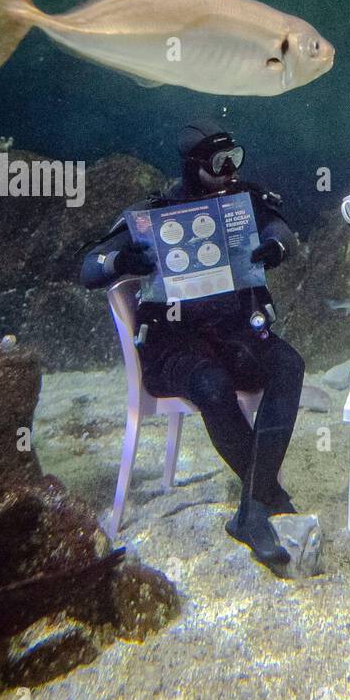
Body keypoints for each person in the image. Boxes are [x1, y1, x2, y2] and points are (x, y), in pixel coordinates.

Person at [79, 119, 304, 569]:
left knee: (288, 364)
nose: (229, 173)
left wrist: (274, 248)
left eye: (234, 160)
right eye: (218, 165)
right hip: (174, 345)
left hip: (235, 332)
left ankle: (252, 508)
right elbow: (90, 268)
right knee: (212, 385)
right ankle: (265, 498)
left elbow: (284, 233)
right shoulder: (152, 214)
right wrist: (123, 259)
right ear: (192, 166)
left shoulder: (245, 202)